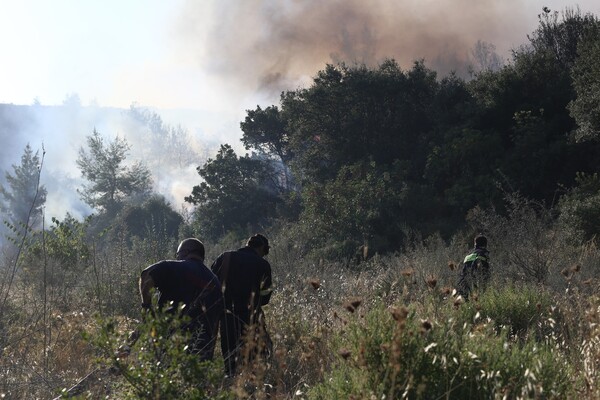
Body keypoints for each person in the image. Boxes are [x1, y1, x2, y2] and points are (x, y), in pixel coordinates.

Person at [139, 238, 223, 361]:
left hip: (171, 342)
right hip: (201, 349)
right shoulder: (215, 282)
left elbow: (146, 275)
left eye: (178, 254)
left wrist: (147, 307)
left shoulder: (174, 267)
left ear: (186, 252)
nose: (177, 257)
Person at [211, 233, 273, 376]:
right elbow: (266, 296)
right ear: (262, 247)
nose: (265, 254)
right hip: (252, 316)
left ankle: (232, 381)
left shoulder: (225, 257)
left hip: (227, 316)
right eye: (266, 251)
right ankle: (253, 385)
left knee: (230, 354)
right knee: (258, 354)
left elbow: (212, 282)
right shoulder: (262, 264)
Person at [456, 235, 490, 300]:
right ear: (485, 244)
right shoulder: (484, 254)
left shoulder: (468, 256)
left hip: (465, 285)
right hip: (479, 284)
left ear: (475, 245)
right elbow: (486, 271)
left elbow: (462, 273)